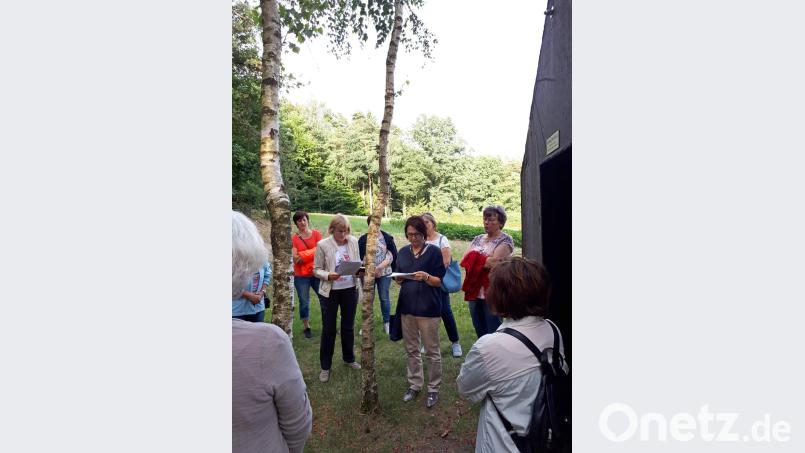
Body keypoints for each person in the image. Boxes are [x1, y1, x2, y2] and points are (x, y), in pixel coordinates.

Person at [456, 257, 567, 453]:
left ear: (501, 297)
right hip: (545, 438)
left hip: (505, 445)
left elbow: (465, 388)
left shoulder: (489, 347)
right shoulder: (553, 330)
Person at [232, 210, 312, 453]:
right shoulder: (268, 342)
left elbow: (267, 270)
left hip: (255, 304)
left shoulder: (263, 339)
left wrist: (262, 291)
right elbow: (298, 426)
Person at [394, 215, 446, 408]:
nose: (413, 238)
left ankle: (433, 388)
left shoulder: (433, 252)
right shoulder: (403, 252)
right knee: (411, 349)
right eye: (409, 235)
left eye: (416, 234)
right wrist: (398, 278)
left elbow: (439, 281)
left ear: (424, 234)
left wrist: (426, 277)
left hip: (428, 308)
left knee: (432, 350)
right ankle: (415, 384)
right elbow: (399, 275)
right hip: (407, 306)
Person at [313, 214, 363, 383]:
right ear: (332, 229)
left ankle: (349, 359)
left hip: (350, 289)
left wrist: (360, 270)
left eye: (346, 231)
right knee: (329, 329)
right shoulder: (322, 245)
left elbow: (357, 263)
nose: (344, 234)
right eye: (340, 231)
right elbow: (316, 269)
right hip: (330, 292)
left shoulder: (353, 242)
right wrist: (328, 275)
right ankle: (325, 367)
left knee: (348, 327)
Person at [460, 205, 514, 338]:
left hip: (493, 290)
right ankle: (483, 356)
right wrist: (483, 260)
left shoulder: (505, 240)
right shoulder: (478, 238)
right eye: (485, 219)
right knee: (479, 329)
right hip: (474, 290)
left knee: (493, 330)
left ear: (501, 222)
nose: (486, 222)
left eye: (491, 220)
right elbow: (465, 259)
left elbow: (495, 263)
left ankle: (496, 357)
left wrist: (475, 258)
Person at [422, 212, 462, 357]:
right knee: (426, 313)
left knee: (445, 312)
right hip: (424, 282)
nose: (425, 225)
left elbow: (445, 263)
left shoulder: (442, 240)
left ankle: (455, 343)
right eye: (422, 222)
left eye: (427, 222)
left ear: (433, 223)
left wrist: (431, 275)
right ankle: (428, 343)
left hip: (439, 282)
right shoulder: (421, 240)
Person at [358, 216, 398, 335]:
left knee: (384, 297)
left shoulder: (387, 238)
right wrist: (369, 269)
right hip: (367, 274)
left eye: (376, 223)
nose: (374, 225)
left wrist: (379, 267)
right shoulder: (363, 239)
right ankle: (366, 324)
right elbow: (359, 257)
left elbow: (392, 255)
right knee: (368, 299)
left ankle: (387, 323)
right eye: (372, 223)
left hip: (385, 272)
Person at [232, 212, 272, 322]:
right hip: (235, 311)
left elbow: (267, 272)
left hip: (258, 307)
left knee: (257, 337)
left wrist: (262, 292)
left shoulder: (258, 251)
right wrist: (250, 296)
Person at [291, 210, 322, 339]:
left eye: (304, 219)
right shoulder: (294, 238)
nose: (302, 222)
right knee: (304, 302)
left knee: (325, 298)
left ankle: (328, 323)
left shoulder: (316, 234)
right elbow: (295, 258)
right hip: (301, 275)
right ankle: (306, 326)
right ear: (296, 224)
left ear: (307, 220)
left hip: (316, 273)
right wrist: (313, 252)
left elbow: (321, 251)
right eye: (299, 220)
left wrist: (304, 255)